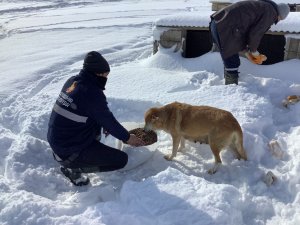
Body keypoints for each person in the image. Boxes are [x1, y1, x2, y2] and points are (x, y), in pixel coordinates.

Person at [47, 51, 145, 186]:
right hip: (68, 150)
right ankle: (72, 168)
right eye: (105, 75)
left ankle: (78, 158)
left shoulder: (73, 81)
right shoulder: (91, 92)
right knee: (121, 160)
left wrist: (102, 122)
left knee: (97, 129)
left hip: (58, 142)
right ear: (97, 74)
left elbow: (88, 111)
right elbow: (108, 120)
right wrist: (128, 138)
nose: (106, 78)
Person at [209, 0, 290, 85]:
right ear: (280, 15)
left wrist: (247, 53)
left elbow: (243, 34)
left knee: (230, 59)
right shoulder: (270, 13)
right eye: (280, 19)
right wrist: (254, 52)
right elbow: (255, 34)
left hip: (219, 22)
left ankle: (230, 85)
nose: (277, 21)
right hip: (225, 26)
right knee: (231, 61)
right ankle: (231, 89)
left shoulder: (263, 7)